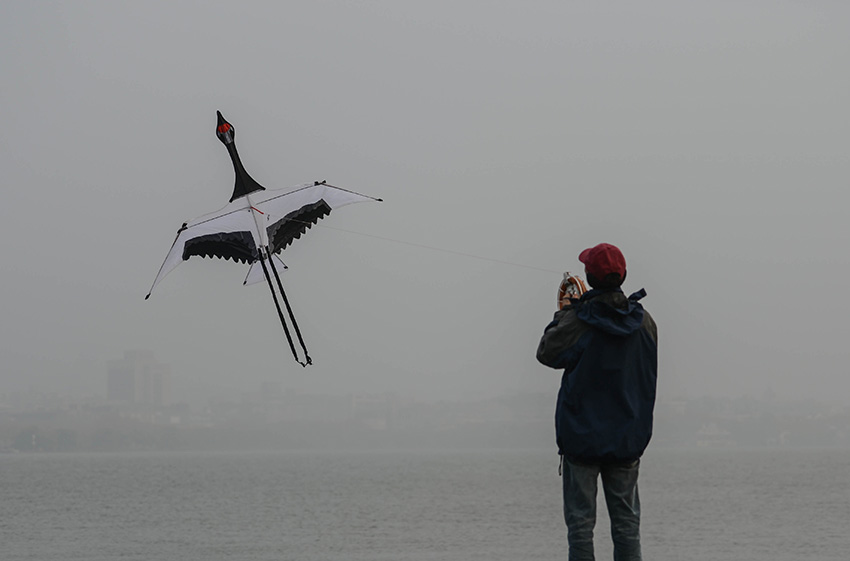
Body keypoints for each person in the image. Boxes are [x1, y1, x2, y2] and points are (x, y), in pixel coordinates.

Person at [536, 243, 658, 561]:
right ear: (623, 276)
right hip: (627, 438)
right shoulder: (645, 323)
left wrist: (564, 312)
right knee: (627, 528)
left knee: (580, 528)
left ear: (589, 277)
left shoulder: (578, 321)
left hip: (581, 439)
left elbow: (547, 352)